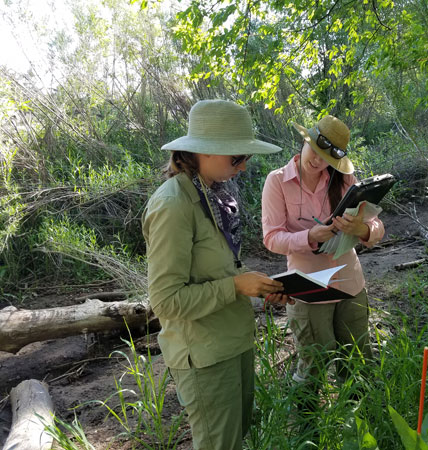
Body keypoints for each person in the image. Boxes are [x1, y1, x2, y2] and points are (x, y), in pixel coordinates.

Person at [142, 99, 291, 450]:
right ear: (204, 152)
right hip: (205, 355)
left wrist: (254, 285)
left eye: (246, 158)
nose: (242, 167)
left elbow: (220, 267)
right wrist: (235, 286)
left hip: (232, 341)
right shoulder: (172, 205)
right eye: (236, 157)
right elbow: (164, 301)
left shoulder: (213, 193)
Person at [261, 115, 385, 407]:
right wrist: (310, 236)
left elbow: (377, 226)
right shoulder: (277, 182)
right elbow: (271, 238)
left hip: (349, 282)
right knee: (313, 364)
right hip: (308, 287)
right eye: (315, 151)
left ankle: (360, 426)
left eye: (327, 157)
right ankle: (307, 432)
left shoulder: (345, 182)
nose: (317, 161)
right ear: (305, 140)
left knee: (357, 360)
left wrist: (363, 230)